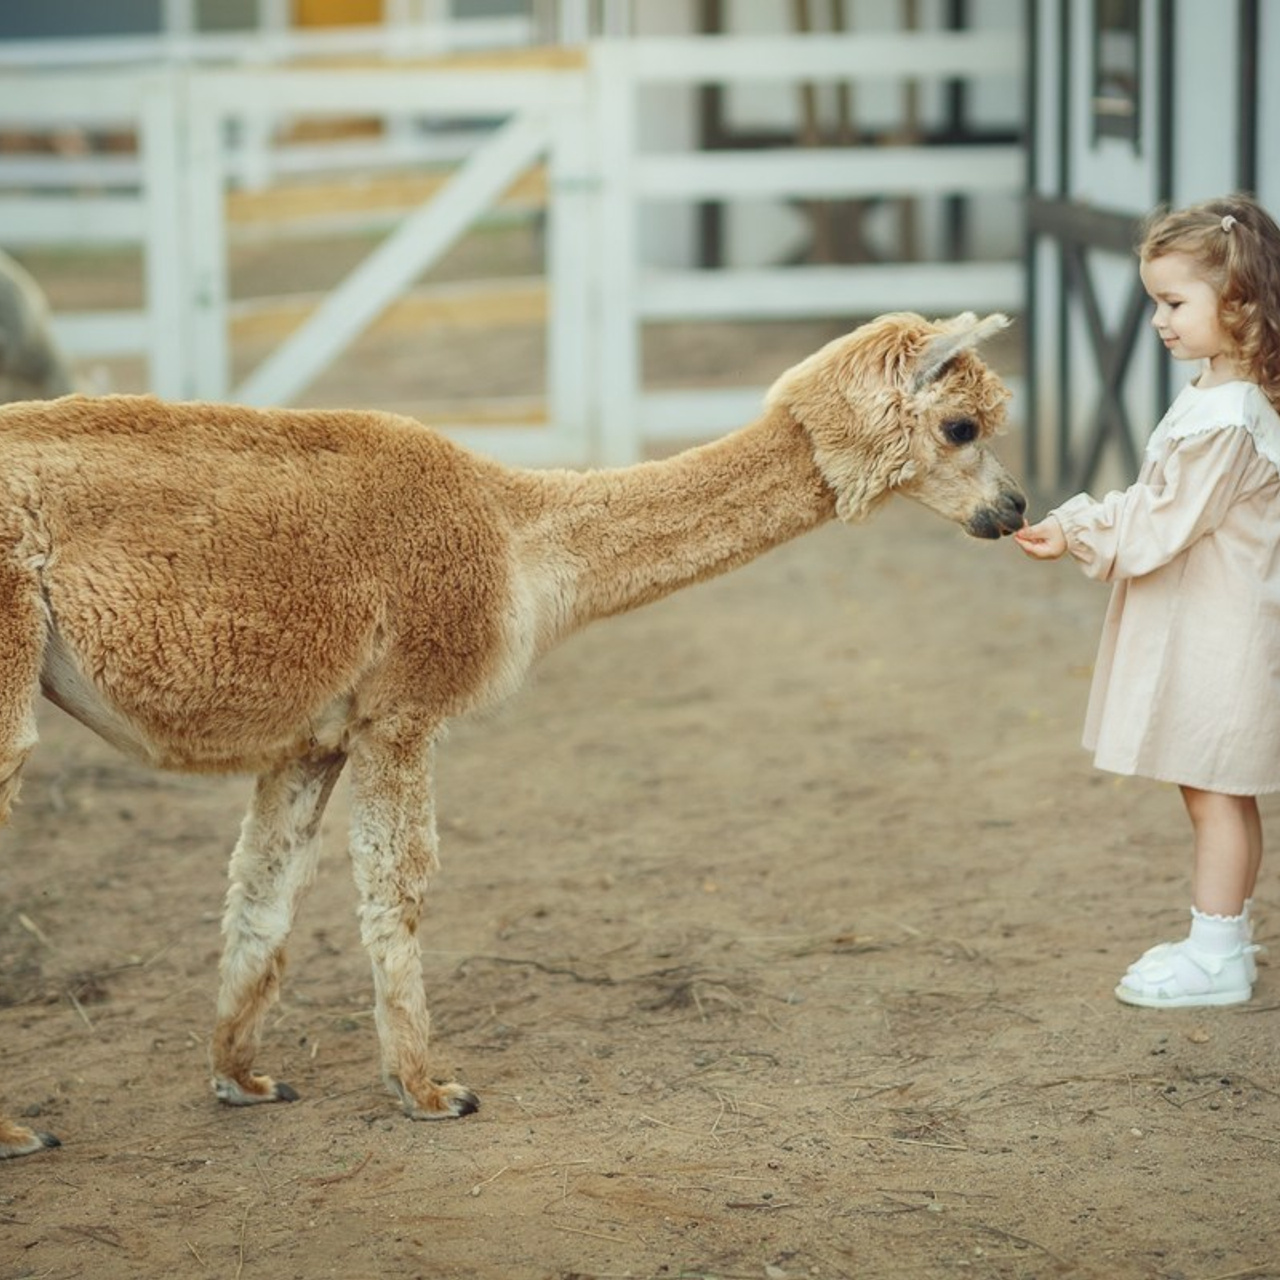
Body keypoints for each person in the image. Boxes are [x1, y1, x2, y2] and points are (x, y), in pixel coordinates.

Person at [1016, 192, 1280, 1008]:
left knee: (1212, 791)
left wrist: (1078, 528)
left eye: (1173, 302)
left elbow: (1162, 521)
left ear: (1237, 300)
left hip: (1221, 627)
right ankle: (1223, 935)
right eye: (1154, 302)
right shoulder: (1221, 390)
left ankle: (1216, 957)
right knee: (1219, 788)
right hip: (1217, 617)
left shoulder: (1228, 418)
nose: (1160, 321)